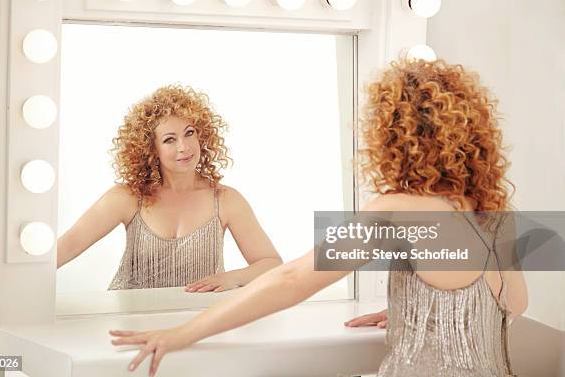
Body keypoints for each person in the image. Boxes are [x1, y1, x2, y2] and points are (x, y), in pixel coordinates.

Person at [109, 60, 528, 376]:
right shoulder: (493, 210)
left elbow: (292, 280)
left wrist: (182, 334)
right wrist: (419, 312)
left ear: (393, 137)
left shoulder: (396, 210)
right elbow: (514, 304)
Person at [57, 85, 283, 292]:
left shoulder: (225, 200)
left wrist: (233, 277)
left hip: (195, 322)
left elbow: (271, 264)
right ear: (151, 149)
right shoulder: (128, 197)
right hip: (129, 321)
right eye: (169, 140)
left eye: (189, 133)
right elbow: (66, 248)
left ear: (201, 135)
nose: (184, 147)